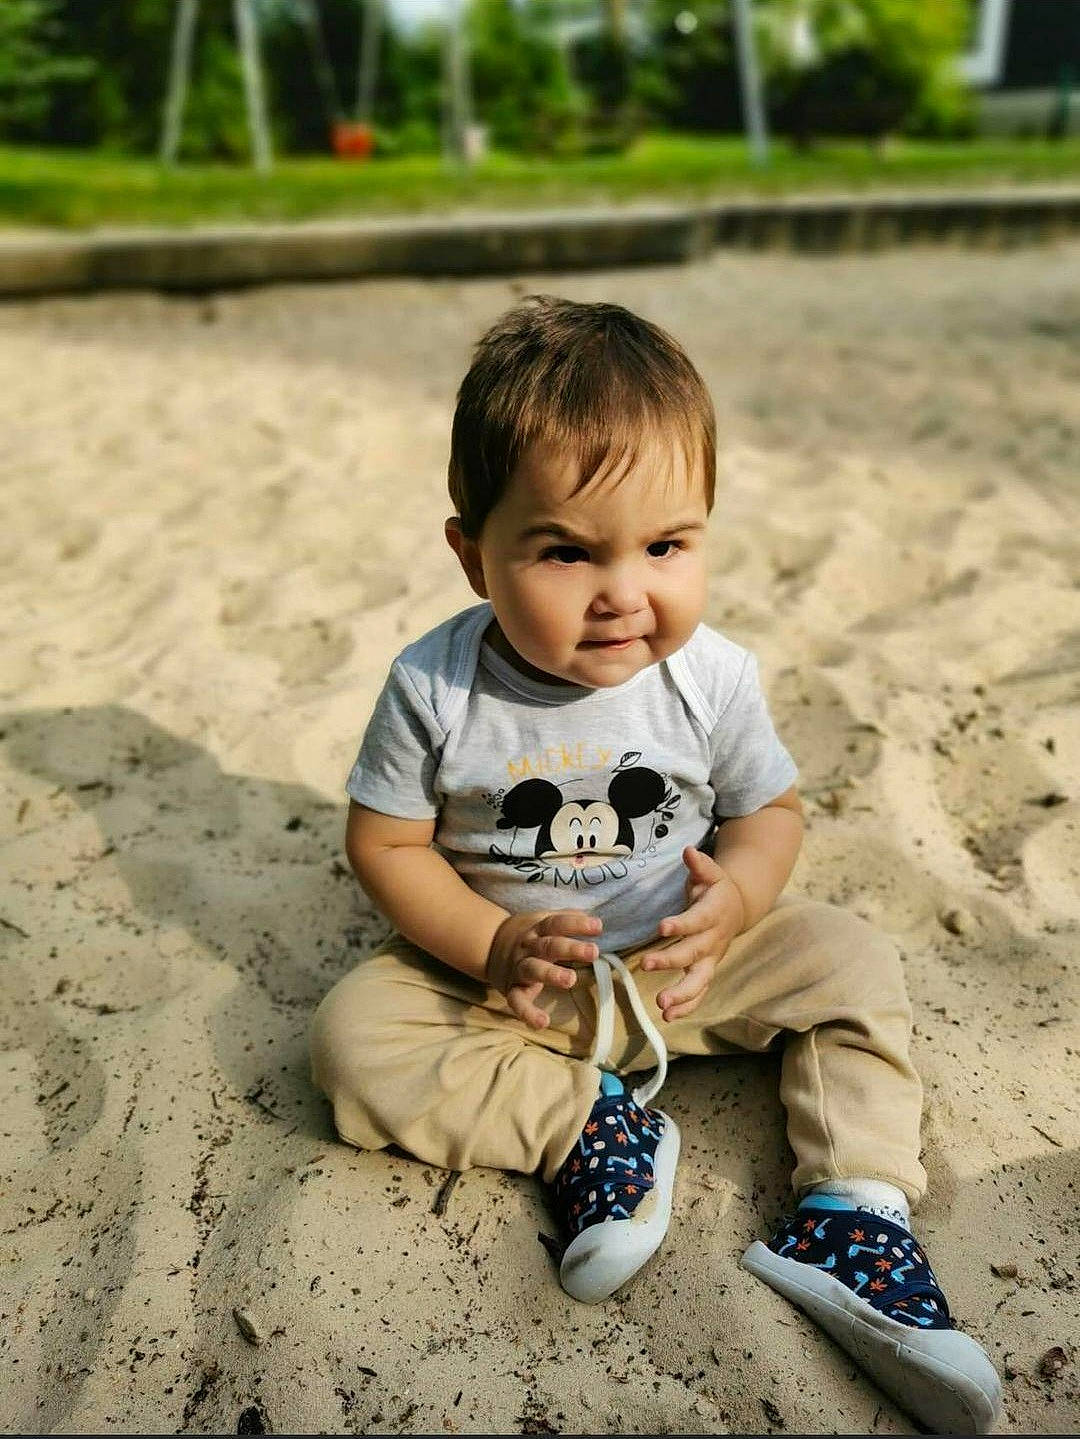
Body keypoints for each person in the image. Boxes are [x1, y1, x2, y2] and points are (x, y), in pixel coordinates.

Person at [310, 297, 1001, 1434]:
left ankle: (855, 1214)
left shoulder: (712, 678)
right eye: (567, 550)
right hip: (517, 984)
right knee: (354, 1033)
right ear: (473, 554)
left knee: (851, 958)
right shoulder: (436, 688)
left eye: (667, 545)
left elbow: (769, 810)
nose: (624, 589)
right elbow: (383, 843)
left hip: (684, 966)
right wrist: (488, 941)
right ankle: (592, 1125)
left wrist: (740, 895)